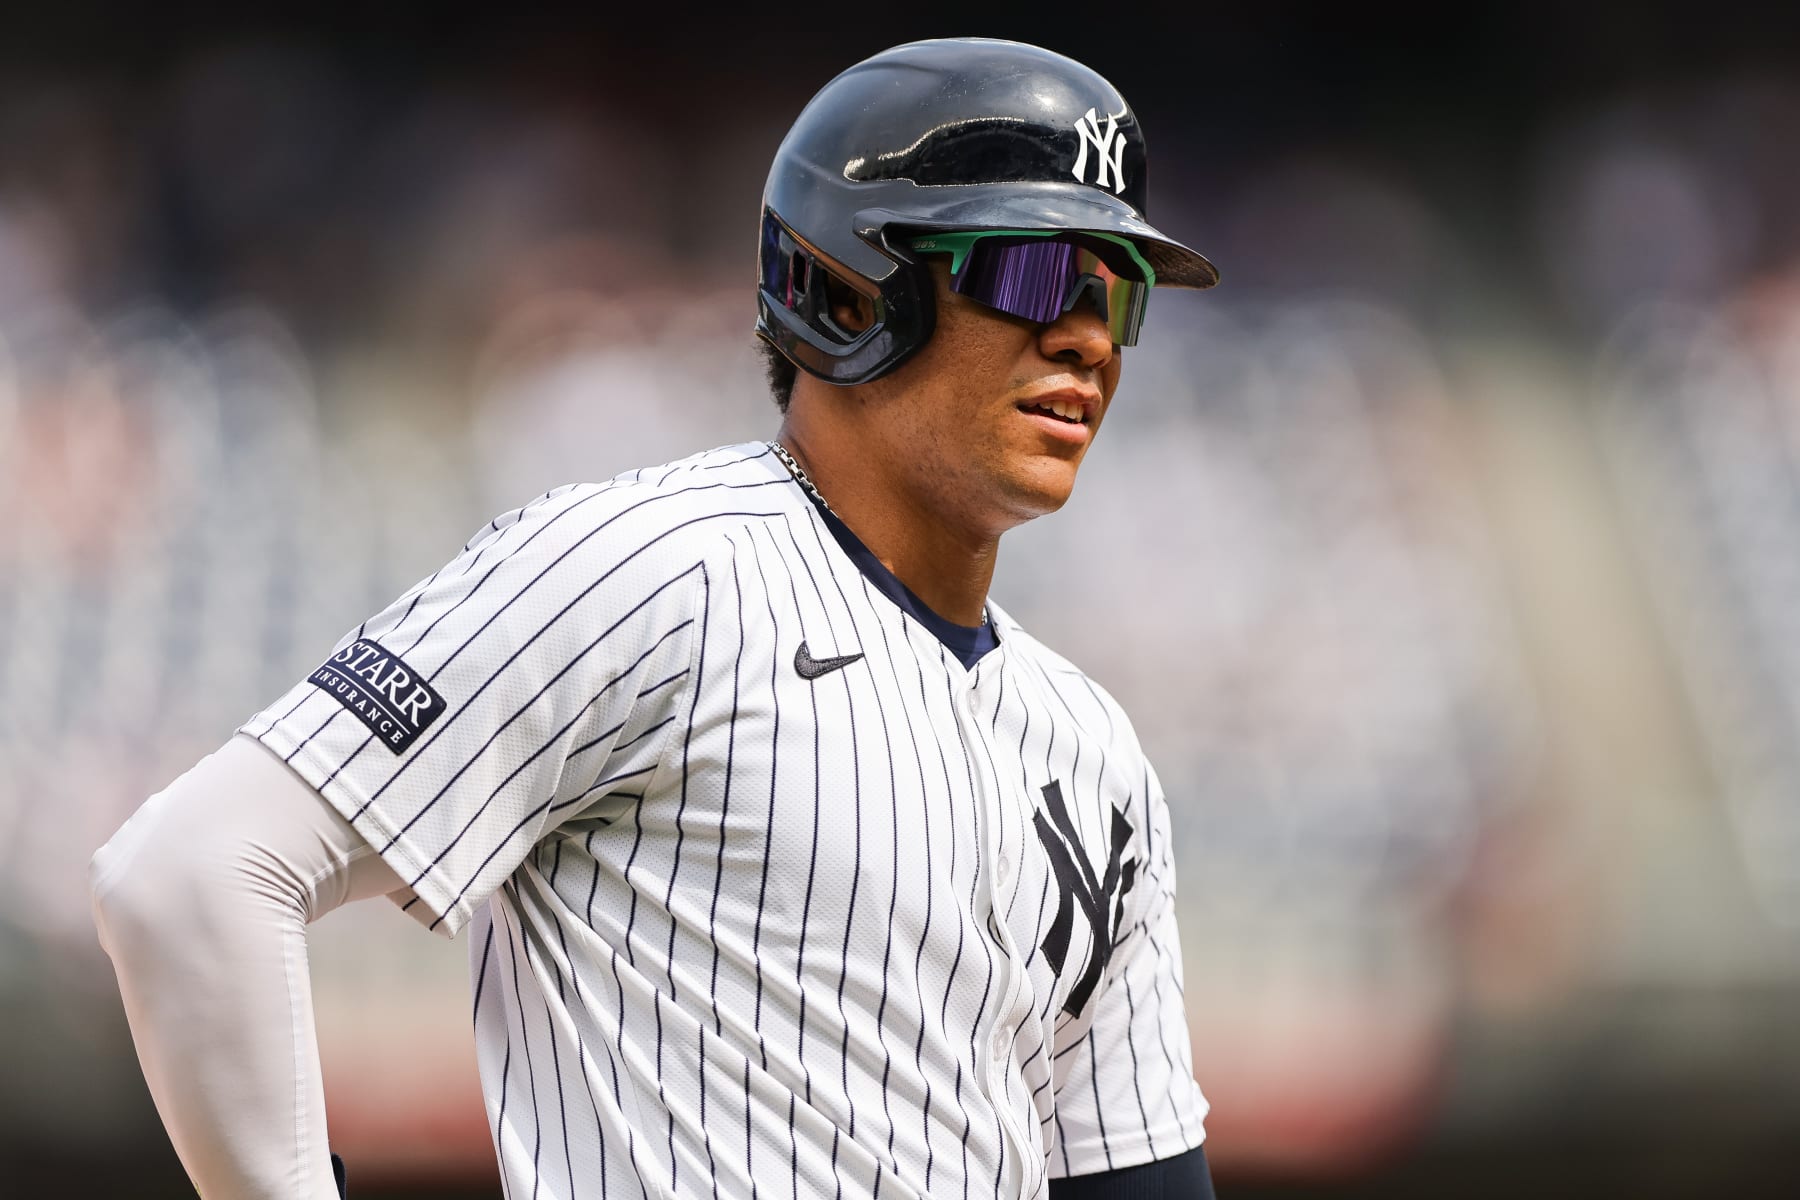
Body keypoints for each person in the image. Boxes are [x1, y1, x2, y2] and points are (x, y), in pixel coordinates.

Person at [90, 37, 1219, 1199]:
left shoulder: (1092, 749)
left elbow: (1139, 1178)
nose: (1083, 331)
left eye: (1113, 290)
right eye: (1030, 273)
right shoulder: (654, 574)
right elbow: (191, 873)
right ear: (846, 284)